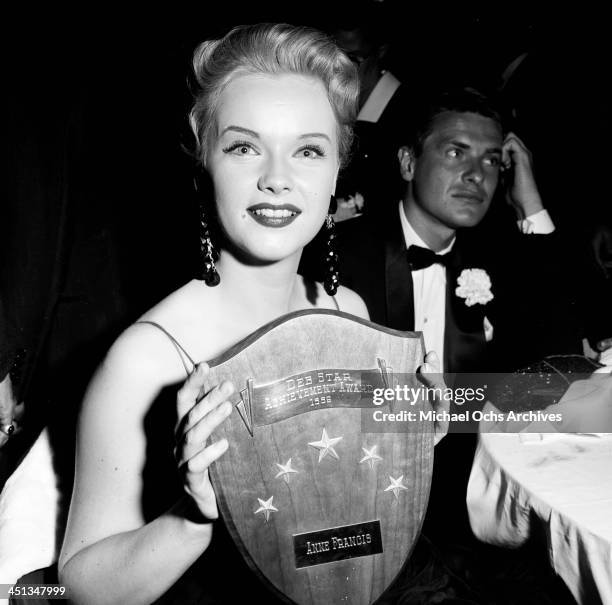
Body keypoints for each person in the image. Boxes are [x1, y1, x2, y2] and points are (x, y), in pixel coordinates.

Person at [56, 23, 447, 604]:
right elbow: (84, 588)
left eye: (308, 150)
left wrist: (412, 441)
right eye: (243, 147)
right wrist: (195, 513)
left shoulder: (348, 310)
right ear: (204, 163)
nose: (277, 179)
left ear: (337, 170)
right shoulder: (148, 357)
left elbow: (345, 516)